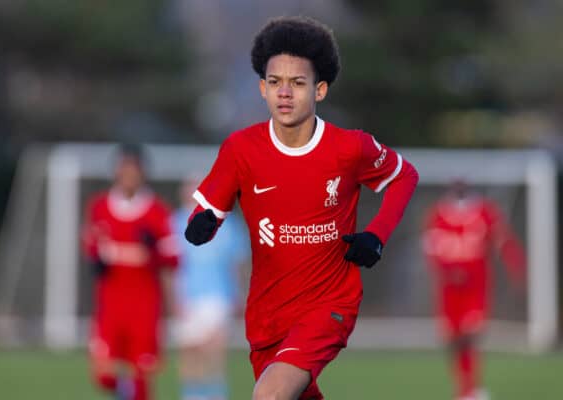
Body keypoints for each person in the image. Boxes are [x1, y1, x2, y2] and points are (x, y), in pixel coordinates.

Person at [184, 16, 419, 400]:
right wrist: (203, 223)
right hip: (267, 314)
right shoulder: (241, 149)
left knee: (270, 395)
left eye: (298, 83)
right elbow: (209, 208)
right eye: (275, 82)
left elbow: (403, 176)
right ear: (262, 88)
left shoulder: (349, 148)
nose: (285, 93)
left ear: (320, 89)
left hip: (328, 305)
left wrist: (377, 235)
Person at [81, 144, 180, 400]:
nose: (128, 176)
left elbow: (173, 258)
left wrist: (153, 252)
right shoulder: (100, 207)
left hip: (144, 305)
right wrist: (99, 258)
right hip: (111, 304)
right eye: (123, 170)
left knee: (141, 378)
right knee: (104, 374)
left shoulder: (157, 212)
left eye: (133, 171)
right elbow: (92, 248)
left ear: (143, 174)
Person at [422, 181, 526, 400]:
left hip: (475, 286)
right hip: (448, 290)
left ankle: (470, 389)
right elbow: (431, 251)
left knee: (470, 335)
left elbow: (504, 242)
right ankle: (464, 388)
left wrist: (517, 269)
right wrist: (447, 271)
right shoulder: (438, 215)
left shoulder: (485, 212)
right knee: (453, 339)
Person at [173, 175, 250, 400]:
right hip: (186, 297)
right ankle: (191, 396)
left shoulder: (227, 224)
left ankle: (216, 395)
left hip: (218, 297)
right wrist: (172, 299)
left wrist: (241, 295)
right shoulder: (175, 222)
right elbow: (169, 266)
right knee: (190, 353)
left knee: (213, 351)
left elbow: (238, 263)